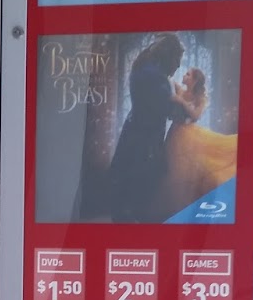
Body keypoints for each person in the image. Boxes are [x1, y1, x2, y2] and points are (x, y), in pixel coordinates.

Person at [86, 33, 206, 221]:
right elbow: (172, 111)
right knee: (138, 190)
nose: (177, 66)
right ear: (169, 55)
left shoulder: (146, 69)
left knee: (129, 188)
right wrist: (183, 105)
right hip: (144, 140)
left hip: (137, 132)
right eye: (177, 60)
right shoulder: (154, 76)